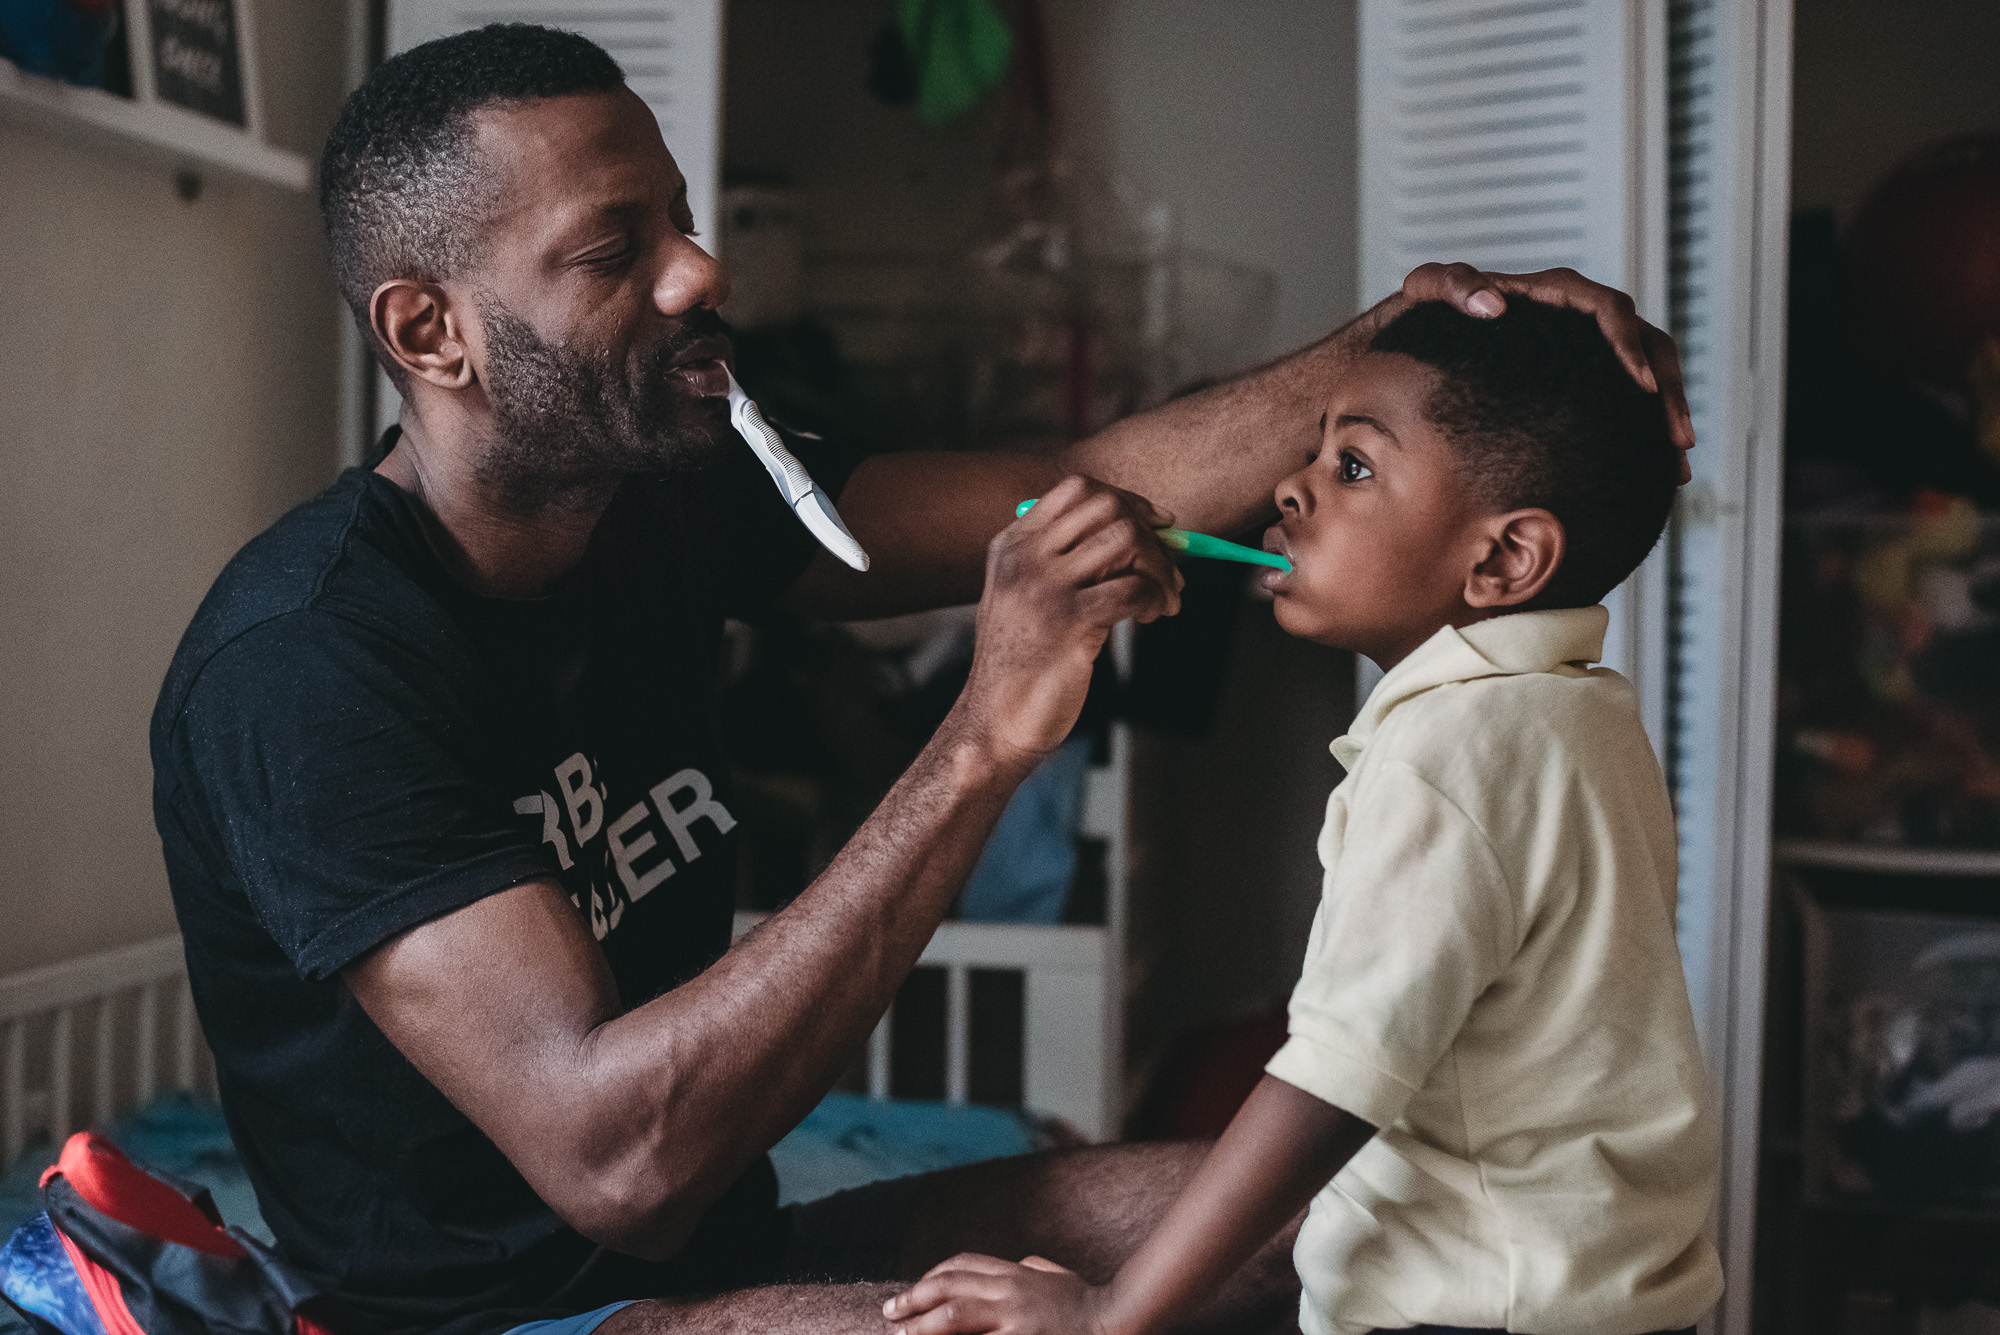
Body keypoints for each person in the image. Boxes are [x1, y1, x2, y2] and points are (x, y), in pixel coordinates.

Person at [147, 23, 1695, 1335]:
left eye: (678, 219)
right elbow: (620, 1157)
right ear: (431, 332)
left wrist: (1409, 335)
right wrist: (983, 734)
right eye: (617, 250)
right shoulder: (308, 664)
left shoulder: (666, 491)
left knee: (1352, 1212)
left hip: (720, 1254)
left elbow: (1078, 487)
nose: (700, 271)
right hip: (512, 1316)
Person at [885, 299, 1721, 1335]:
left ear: (1503, 561)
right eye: (1317, 451)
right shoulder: (1580, 714)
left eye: (1354, 467)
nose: (1292, 484)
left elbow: (1330, 1085)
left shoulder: (1446, 752)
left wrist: (1110, 1312)